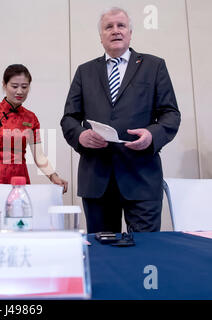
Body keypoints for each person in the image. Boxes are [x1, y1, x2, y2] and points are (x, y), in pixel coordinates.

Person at [60, 7, 181, 233]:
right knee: (105, 255)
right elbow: (69, 118)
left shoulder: (154, 66)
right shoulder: (84, 72)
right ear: (101, 35)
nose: (115, 31)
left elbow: (171, 114)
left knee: (145, 255)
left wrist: (152, 136)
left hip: (142, 177)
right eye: (109, 27)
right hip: (97, 179)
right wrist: (81, 135)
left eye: (121, 26)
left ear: (130, 32)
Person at [0, 64, 68, 199]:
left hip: (20, 182)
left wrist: (53, 176)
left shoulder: (31, 118)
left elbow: (39, 156)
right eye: (14, 86)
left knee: (21, 219)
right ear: (4, 85)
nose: (20, 91)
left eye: (24, 87)